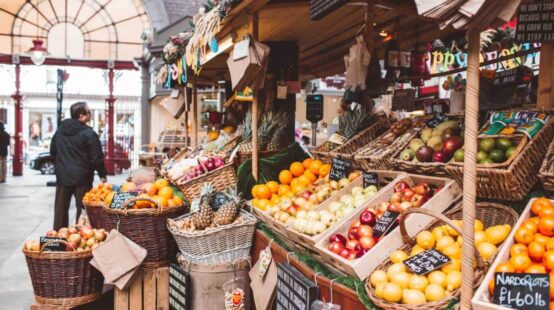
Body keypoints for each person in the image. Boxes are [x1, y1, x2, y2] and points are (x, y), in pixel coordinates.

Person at [50, 102, 107, 229]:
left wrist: (61, 165)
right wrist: (102, 174)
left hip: (63, 176)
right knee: (83, 210)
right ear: (82, 116)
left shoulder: (59, 131)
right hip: (83, 177)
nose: (90, 114)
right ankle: (81, 236)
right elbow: (96, 157)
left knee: (60, 210)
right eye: (89, 112)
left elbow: (53, 151)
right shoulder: (89, 133)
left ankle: (59, 238)